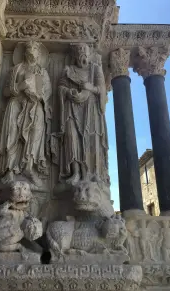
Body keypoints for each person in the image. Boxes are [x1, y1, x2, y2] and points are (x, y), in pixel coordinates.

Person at [0, 41, 52, 185]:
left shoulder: (41, 72)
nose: (32, 51)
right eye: (29, 48)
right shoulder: (17, 69)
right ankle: (10, 170)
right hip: (16, 103)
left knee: (36, 129)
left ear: (39, 54)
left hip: (33, 105)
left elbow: (44, 93)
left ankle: (29, 168)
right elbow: (6, 92)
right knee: (11, 132)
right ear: (24, 52)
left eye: (35, 49)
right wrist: (21, 86)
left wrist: (35, 93)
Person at [58, 43, 108, 185]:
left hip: (91, 109)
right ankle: (76, 172)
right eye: (79, 51)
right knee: (71, 137)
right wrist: (68, 92)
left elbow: (102, 89)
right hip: (72, 109)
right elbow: (61, 87)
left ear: (88, 53)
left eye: (84, 50)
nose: (82, 53)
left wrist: (90, 88)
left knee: (91, 138)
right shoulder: (68, 70)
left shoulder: (95, 69)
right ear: (74, 55)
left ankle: (93, 173)